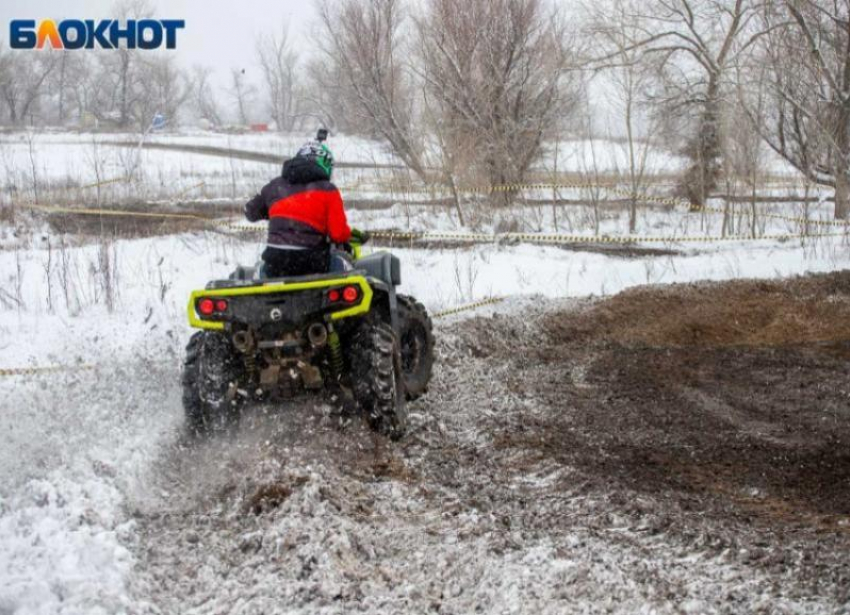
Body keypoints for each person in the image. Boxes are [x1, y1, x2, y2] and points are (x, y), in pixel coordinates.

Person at [244, 133, 359, 277]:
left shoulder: (274, 186)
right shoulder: (328, 189)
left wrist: (272, 212)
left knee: (260, 271)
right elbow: (338, 233)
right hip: (312, 261)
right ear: (326, 165)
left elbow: (250, 212)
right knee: (342, 263)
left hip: (275, 262)